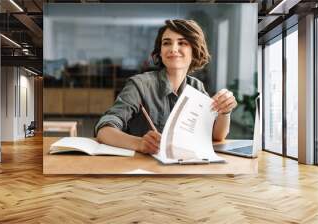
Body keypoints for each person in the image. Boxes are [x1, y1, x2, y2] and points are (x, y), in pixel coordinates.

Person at [95, 19, 237, 154]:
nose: (173, 49)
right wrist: (139, 143)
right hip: (141, 170)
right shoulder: (140, 85)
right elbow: (104, 130)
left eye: (182, 43)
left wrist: (225, 112)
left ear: (194, 50)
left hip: (182, 168)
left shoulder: (196, 86)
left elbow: (216, 136)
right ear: (160, 51)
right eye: (167, 43)